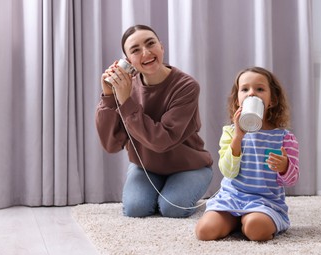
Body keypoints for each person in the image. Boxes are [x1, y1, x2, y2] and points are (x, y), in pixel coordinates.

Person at [95, 24, 213, 218]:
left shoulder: (186, 86)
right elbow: (111, 144)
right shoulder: (126, 87)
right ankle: (163, 193)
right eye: (135, 50)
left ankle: (175, 193)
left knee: (173, 209)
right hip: (146, 167)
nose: (146, 52)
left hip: (189, 166)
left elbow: (162, 140)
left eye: (151, 44)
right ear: (128, 61)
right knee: (135, 209)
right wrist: (109, 96)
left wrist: (125, 102)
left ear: (161, 47)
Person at [195, 66, 299, 241]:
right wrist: (238, 137)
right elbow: (228, 172)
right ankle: (234, 220)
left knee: (256, 230)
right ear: (237, 100)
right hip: (231, 198)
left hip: (264, 202)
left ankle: (247, 220)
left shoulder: (284, 138)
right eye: (245, 89)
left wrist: (284, 167)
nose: (251, 93)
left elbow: (291, 179)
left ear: (272, 100)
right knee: (204, 231)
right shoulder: (230, 132)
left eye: (259, 89)